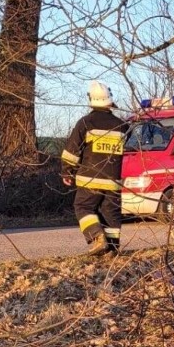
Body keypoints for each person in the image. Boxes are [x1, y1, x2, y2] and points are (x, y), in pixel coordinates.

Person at [61, 81, 129, 255]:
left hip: (90, 179)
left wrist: (67, 171)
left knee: (83, 207)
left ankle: (97, 237)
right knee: (110, 212)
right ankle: (112, 249)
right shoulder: (122, 126)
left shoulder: (86, 123)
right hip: (113, 181)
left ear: (91, 100)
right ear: (109, 101)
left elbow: (72, 151)